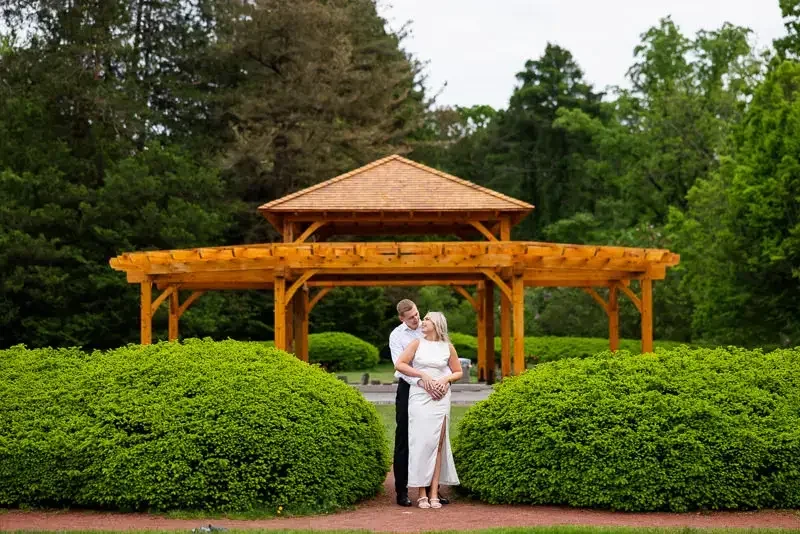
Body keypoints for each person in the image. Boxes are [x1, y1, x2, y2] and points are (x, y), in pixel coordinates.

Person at [395, 311, 462, 509]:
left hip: (441, 399)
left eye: (426, 319)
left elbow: (457, 371)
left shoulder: (448, 347)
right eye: (423, 319)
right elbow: (400, 364)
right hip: (419, 397)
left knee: (438, 445)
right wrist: (422, 375)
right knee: (421, 443)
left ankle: (434, 493)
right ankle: (421, 492)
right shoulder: (416, 344)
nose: (422, 322)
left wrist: (445, 379)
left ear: (437, 323)